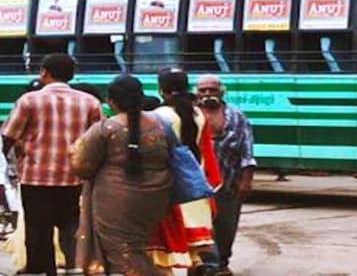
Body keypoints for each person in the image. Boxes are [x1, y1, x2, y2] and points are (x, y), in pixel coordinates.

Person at [1, 54, 102, 276]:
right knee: (72, 226)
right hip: (74, 178)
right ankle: (75, 268)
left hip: (35, 178)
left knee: (38, 231)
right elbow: (99, 140)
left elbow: (8, 136)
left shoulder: (29, 101)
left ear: (44, 72)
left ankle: (44, 271)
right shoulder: (90, 102)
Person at [69, 75, 174, 276]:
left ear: (111, 101)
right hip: (158, 195)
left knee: (121, 252)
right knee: (138, 245)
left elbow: (81, 165)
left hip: (115, 198)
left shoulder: (106, 128)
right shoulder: (161, 124)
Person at [148, 68, 221, 276]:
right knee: (194, 254)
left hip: (174, 190)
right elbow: (207, 150)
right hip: (196, 187)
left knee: (168, 255)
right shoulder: (199, 114)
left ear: (162, 90)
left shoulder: (159, 116)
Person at [195, 74, 255, 276]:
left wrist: (246, 180)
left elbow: (247, 152)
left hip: (228, 183)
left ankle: (222, 262)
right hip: (196, 185)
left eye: (212, 90)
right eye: (203, 90)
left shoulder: (237, 117)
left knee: (226, 228)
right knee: (200, 227)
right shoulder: (190, 115)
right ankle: (206, 265)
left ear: (221, 92)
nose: (207, 94)